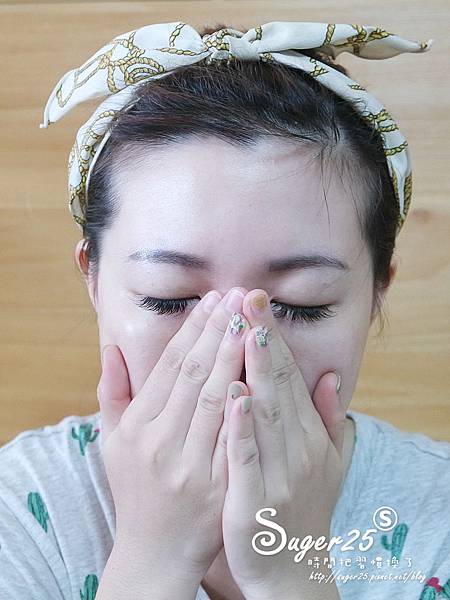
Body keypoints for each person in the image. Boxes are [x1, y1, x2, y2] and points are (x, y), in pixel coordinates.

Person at [1, 19, 448, 600]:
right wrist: (153, 561)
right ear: (94, 278)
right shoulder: (20, 507)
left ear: (376, 293)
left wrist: (289, 573)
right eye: (168, 297)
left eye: (301, 304)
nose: (234, 354)